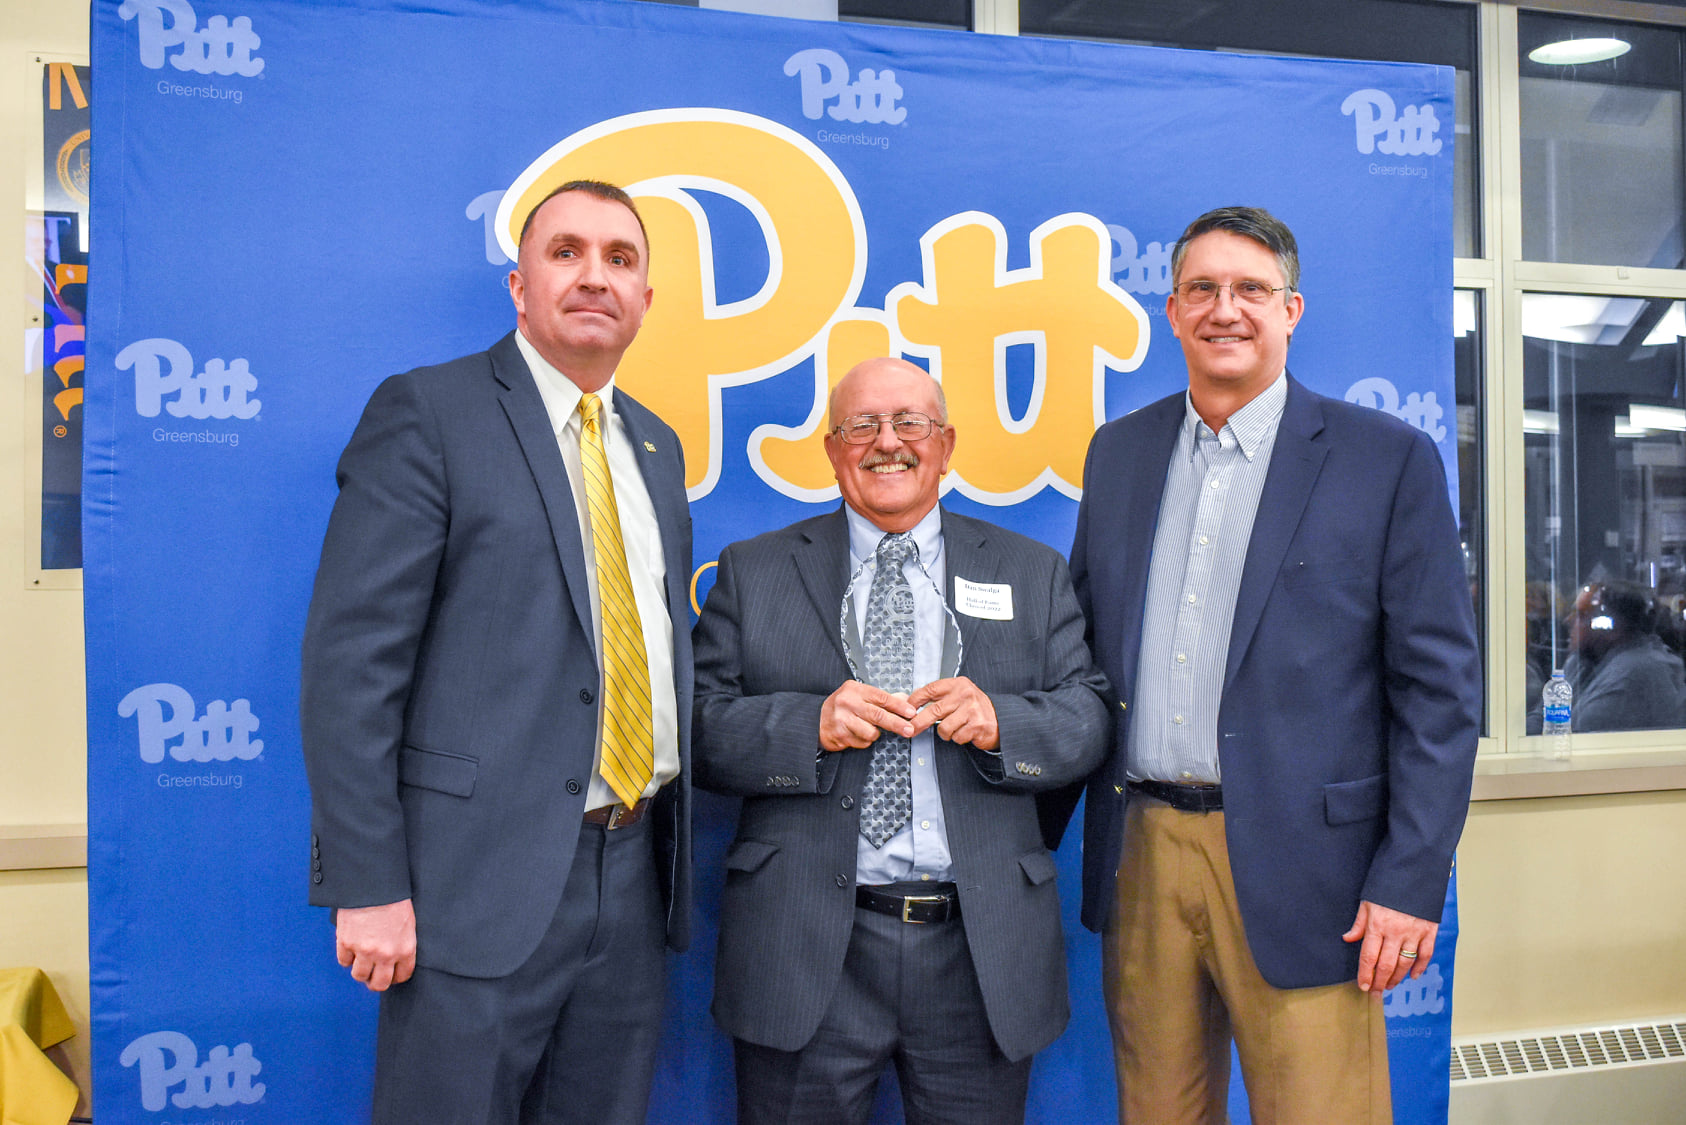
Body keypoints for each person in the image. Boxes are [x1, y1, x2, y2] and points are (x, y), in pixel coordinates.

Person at [1064, 206, 1481, 1124]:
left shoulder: (1385, 461)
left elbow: (1440, 697)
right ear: (1173, 311)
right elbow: (1084, 652)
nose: (1226, 309)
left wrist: (1410, 879)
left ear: (1292, 310)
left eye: (1251, 289)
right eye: (1203, 289)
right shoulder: (1120, 453)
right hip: (1144, 850)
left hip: (1314, 872)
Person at [300, 180, 692, 1125]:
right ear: (520, 286)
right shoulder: (430, 413)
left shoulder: (656, 446)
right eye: (567, 252)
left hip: (631, 879)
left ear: (646, 300)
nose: (595, 276)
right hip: (468, 890)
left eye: (620, 259)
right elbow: (352, 667)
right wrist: (368, 885)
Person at [692, 357, 1110, 1125]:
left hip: (978, 952)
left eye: (910, 422)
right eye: (862, 425)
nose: (888, 442)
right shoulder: (755, 572)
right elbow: (698, 728)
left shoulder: (1031, 572)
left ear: (945, 444)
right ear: (832, 448)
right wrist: (807, 726)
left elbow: (1087, 718)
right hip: (802, 945)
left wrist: (1001, 723)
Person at [1544, 581, 1686, 733]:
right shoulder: (1583, 660)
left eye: (1581, 615)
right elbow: (1543, 715)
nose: (1568, 620)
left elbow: (1585, 735)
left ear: (1609, 625)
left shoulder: (1635, 673)